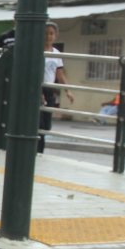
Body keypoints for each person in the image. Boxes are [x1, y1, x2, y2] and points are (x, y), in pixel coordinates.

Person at [39, 21, 75, 153]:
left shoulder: (56, 53)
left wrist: (68, 91)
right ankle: (36, 150)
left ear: (56, 36)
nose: (48, 36)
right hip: (37, 88)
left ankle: (40, 150)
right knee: (38, 123)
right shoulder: (37, 51)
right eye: (46, 33)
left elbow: (60, 74)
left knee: (46, 124)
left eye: (51, 33)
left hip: (49, 90)